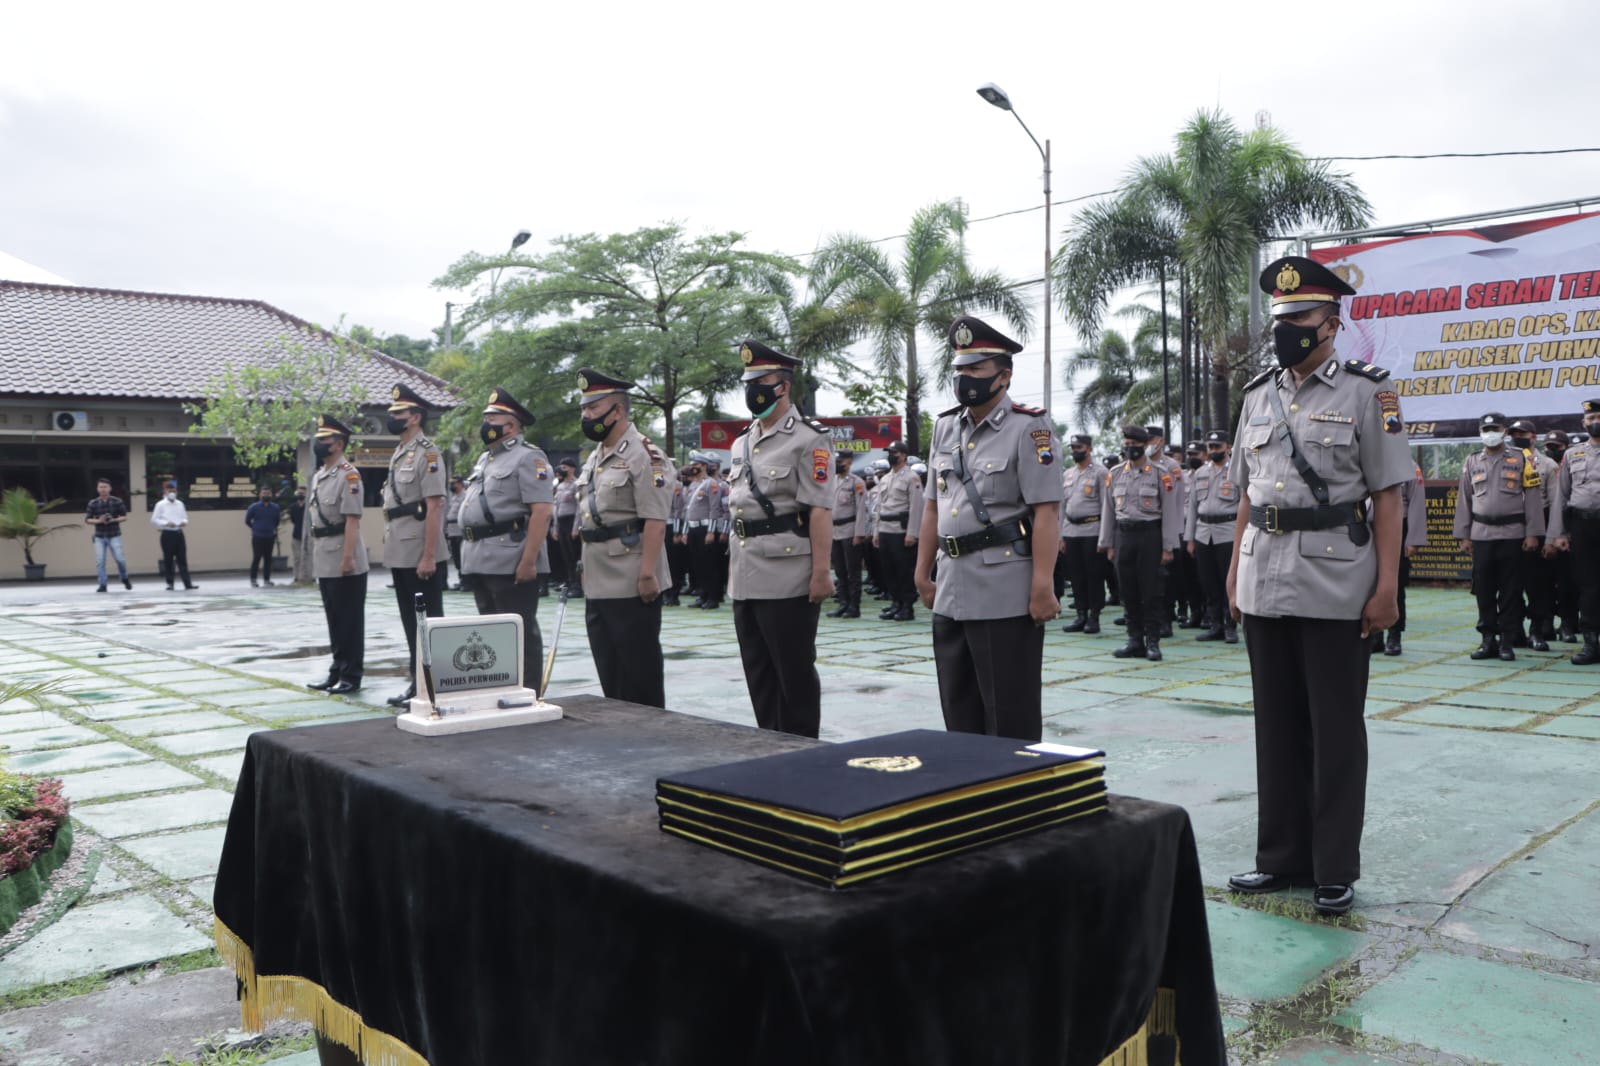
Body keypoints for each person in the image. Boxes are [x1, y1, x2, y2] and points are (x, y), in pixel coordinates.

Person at [1225, 255, 1413, 917]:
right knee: (1275, 726)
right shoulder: (1256, 395)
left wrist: (1388, 586)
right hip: (1262, 574)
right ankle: (1279, 860)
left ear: (1332, 323)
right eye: (1279, 319)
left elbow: (1388, 498)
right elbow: (1248, 492)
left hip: (1337, 578)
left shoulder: (1369, 393)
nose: (1286, 329)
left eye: (1300, 318)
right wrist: (1233, 569)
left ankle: (1333, 865)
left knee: (1334, 728)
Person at [915, 315, 1061, 742]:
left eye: (976, 369)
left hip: (1004, 590)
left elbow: (1047, 512)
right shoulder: (945, 426)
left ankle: (1017, 801)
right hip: (951, 586)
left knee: (1009, 716)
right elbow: (931, 506)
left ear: (1004, 375)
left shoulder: (1029, 428)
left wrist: (1042, 585)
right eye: (960, 369)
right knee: (958, 712)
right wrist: (922, 571)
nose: (965, 378)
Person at [726, 339, 834, 737]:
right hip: (745, 571)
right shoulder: (743, 440)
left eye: (761, 380)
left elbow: (820, 509)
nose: (752, 388)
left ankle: (802, 748)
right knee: (758, 671)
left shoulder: (809, 438)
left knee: (793, 671)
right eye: (748, 381)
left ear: (783, 386)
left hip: (789, 572)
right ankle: (769, 744)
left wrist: (822, 572)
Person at [574, 368, 674, 707]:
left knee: (639, 671)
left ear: (617, 410)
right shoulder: (597, 456)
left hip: (631, 577)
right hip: (597, 577)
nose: (586, 416)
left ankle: (652, 741)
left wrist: (648, 574)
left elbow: (655, 520)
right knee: (610, 669)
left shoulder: (646, 455)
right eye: (584, 409)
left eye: (593, 408)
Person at [459, 387, 555, 694]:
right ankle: (499, 688)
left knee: (520, 631)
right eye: (486, 417)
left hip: (511, 558)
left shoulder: (529, 457)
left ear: (511, 425)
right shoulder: (486, 459)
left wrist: (529, 561)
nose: (486, 423)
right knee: (491, 632)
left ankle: (527, 693)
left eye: (493, 417)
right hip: (480, 557)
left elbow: (541, 512)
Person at [1452, 412, 1543, 661]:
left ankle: (1507, 641)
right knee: (1483, 589)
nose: (1490, 433)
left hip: (1513, 533)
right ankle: (1487, 640)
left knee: (1511, 591)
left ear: (1504, 431)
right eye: (1486, 429)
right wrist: (1464, 535)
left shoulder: (1521, 459)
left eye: (1495, 428)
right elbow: (1465, 500)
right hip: (1481, 534)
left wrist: (1533, 533)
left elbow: (1533, 498)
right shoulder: (1472, 461)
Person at [380, 383, 449, 708]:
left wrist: (429, 556)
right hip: (400, 549)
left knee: (429, 622)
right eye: (392, 412)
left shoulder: (428, 454)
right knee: (410, 621)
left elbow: (434, 506)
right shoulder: (400, 452)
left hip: (421, 553)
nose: (392, 417)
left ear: (415, 417)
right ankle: (416, 681)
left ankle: (434, 685)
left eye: (399, 413)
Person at [1100, 427, 1180, 660]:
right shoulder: (1114, 473)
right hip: (1124, 536)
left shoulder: (1160, 473)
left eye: (1134, 443)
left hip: (1150, 536)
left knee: (1151, 591)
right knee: (1128, 591)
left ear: (1144, 445)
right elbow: (1109, 511)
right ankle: (1134, 640)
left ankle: (1152, 642)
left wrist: (1168, 546)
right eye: (1126, 443)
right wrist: (1107, 544)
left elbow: (1169, 511)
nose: (1129, 447)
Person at [304, 415, 368, 694]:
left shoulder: (348, 475)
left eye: (324, 440)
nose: (319, 444)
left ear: (338, 444)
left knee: (349, 619)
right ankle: (336, 669)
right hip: (324, 555)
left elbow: (352, 519)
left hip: (343, 554)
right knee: (334, 617)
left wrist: (348, 557)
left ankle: (351, 675)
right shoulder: (319, 476)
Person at [1542, 399, 1600, 665]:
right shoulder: (1572, 455)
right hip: (1582, 526)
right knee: (1588, 586)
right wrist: (1559, 534)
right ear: (1583, 423)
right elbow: (1561, 497)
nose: (1595, 422)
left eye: (1598, 417)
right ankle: (1591, 644)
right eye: (1591, 419)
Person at [1510, 418, 1560, 649]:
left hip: (1539, 527)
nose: (1517, 437)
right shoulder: (1504, 460)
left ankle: (1537, 631)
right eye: (1514, 434)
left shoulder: (1548, 465)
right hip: (1510, 529)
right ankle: (1514, 630)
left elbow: (1555, 503)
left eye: (1523, 434)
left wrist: (1551, 538)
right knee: (1510, 584)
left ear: (1533, 437)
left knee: (1537, 585)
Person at [1370, 460, 1427, 655]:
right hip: (1368, 526)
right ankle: (1375, 635)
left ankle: (1394, 635)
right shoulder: (1366, 459)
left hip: (1396, 527)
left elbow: (1417, 503)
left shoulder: (1409, 466)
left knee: (1395, 583)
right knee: (1368, 583)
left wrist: (1413, 539)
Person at [1186, 431, 1237, 643]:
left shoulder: (1237, 470)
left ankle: (1230, 626)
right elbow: (1192, 508)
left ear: (1228, 446)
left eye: (1218, 447)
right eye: (1211, 447)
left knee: (1228, 581)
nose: (1214, 451)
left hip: (1228, 531)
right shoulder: (1200, 473)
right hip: (1204, 532)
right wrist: (1190, 538)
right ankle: (1214, 624)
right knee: (1208, 581)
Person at [1060, 434, 1108, 634]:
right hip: (1071, 530)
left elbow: (1107, 507)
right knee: (1076, 575)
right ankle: (1081, 614)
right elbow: (1063, 506)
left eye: (1079, 447)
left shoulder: (1100, 472)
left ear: (1089, 449)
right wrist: (1060, 535)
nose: (1075, 451)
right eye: (1073, 447)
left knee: (1093, 575)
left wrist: (1105, 537)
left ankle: (1094, 616)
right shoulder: (1068, 474)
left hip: (1092, 530)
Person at [874, 440, 923, 621]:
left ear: (903, 455)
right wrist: (876, 532)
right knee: (889, 569)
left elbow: (916, 507)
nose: (890, 455)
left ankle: (907, 607)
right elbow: (879, 506)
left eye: (894, 452)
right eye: (889, 452)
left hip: (901, 530)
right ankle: (896, 603)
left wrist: (912, 533)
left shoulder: (912, 478)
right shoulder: (886, 478)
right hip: (885, 528)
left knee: (903, 570)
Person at [1542, 429, 1578, 642]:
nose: (1552, 451)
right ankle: (1545, 623)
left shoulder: (1572, 465)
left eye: (1557, 447)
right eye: (1548, 447)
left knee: (1567, 583)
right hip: (1544, 528)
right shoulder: (1539, 466)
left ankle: (1568, 625)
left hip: (1569, 530)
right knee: (1543, 582)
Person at [827, 450, 869, 618]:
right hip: (834, 531)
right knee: (839, 570)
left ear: (850, 462)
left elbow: (861, 510)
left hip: (850, 530)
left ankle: (854, 606)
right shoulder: (832, 481)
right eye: (837, 461)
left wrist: (859, 533)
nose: (838, 464)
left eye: (841, 461)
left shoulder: (856, 482)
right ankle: (843, 603)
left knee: (853, 571)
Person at [84, 478, 132, 592]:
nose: (103, 489)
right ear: (97, 489)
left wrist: (113, 519)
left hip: (114, 534)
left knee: (120, 559)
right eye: (101, 487)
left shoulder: (117, 501)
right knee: (100, 561)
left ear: (110, 488)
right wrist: (99, 521)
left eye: (105, 487)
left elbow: (124, 516)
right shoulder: (93, 503)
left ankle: (124, 577)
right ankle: (103, 584)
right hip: (99, 536)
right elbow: (87, 519)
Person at [150, 479, 197, 590]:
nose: (172, 493)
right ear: (165, 491)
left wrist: (184, 522)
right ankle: (170, 583)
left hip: (179, 533)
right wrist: (166, 523)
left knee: (182, 559)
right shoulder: (160, 505)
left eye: (174, 491)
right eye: (170, 490)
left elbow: (185, 517)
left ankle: (187, 583)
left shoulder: (180, 504)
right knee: (168, 559)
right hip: (167, 533)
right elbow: (154, 520)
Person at [551, 458, 582, 594]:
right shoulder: (559, 486)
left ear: (572, 468)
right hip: (561, 522)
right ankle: (569, 581)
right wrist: (555, 528)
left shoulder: (577, 485)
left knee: (574, 554)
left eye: (565, 467)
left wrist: (576, 527)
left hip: (571, 521)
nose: (562, 469)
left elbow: (579, 508)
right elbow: (556, 508)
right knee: (565, 555)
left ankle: (577, 585)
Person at [244, 486, 281, 587]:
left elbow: (277, 521)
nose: (266, 495)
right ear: (260, 495)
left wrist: (272, 529)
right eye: (264, 493)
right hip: (257, 536)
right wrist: (255, 528)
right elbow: (247, 520)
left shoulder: (275, 508)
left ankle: (267, 580)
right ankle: (253, 580)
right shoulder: (254, 507)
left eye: (268, 493)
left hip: (270, 536)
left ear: (271, 495)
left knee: (268, 559)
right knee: (257, 558)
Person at [444, 476, 466, 591]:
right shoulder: (453, 498)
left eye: (455, 483)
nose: (452, 486)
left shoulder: (465, 496)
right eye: (451, 483)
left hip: (460, 531)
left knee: (462, 558)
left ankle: (467, 582)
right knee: (456, 558)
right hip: (452, 531)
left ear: (461, 484)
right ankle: (461, 580)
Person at [289, 486, 307, 581]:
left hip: (308, 536)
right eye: (299, 493)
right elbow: (293, 520)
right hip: (296, 536)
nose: (301, 494)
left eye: (302, 493)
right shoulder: (293, 507)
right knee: (297, 558)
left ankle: (310, 577)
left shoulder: (309, 507)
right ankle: (296, 577)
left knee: (309, 558)